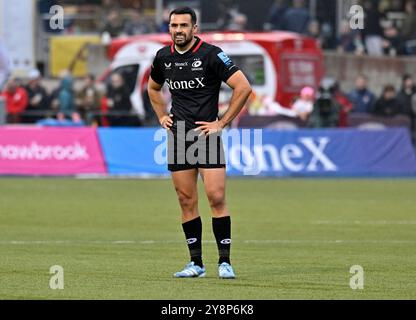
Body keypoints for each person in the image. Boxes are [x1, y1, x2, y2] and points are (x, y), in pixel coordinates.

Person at [148, 7, 252, 279]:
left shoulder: (212, 54)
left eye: (183, 25)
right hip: (179, 134)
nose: (178, 30)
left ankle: (225, 262)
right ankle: (196, 264)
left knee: (216, 197)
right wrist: (161, 116)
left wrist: (222, 122)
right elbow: (153, 88)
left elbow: (243, 87)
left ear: (195, 28)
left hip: (207, 134)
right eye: (174, 26)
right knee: (185, 200)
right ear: (169, 28)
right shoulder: (163, 57)